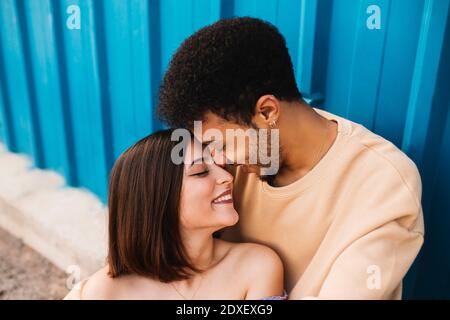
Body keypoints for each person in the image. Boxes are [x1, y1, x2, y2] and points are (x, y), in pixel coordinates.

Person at [157, 17, 424, 299]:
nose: (218, 161)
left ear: (267, 112)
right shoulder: (228, 168)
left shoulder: (384, 183)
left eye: (219, 144)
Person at [64, 129, 286, 300]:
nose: (227, 177)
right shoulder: (106, 291)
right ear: (155, 198)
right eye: (200, 172)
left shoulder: (256, 266)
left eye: (220, 165)